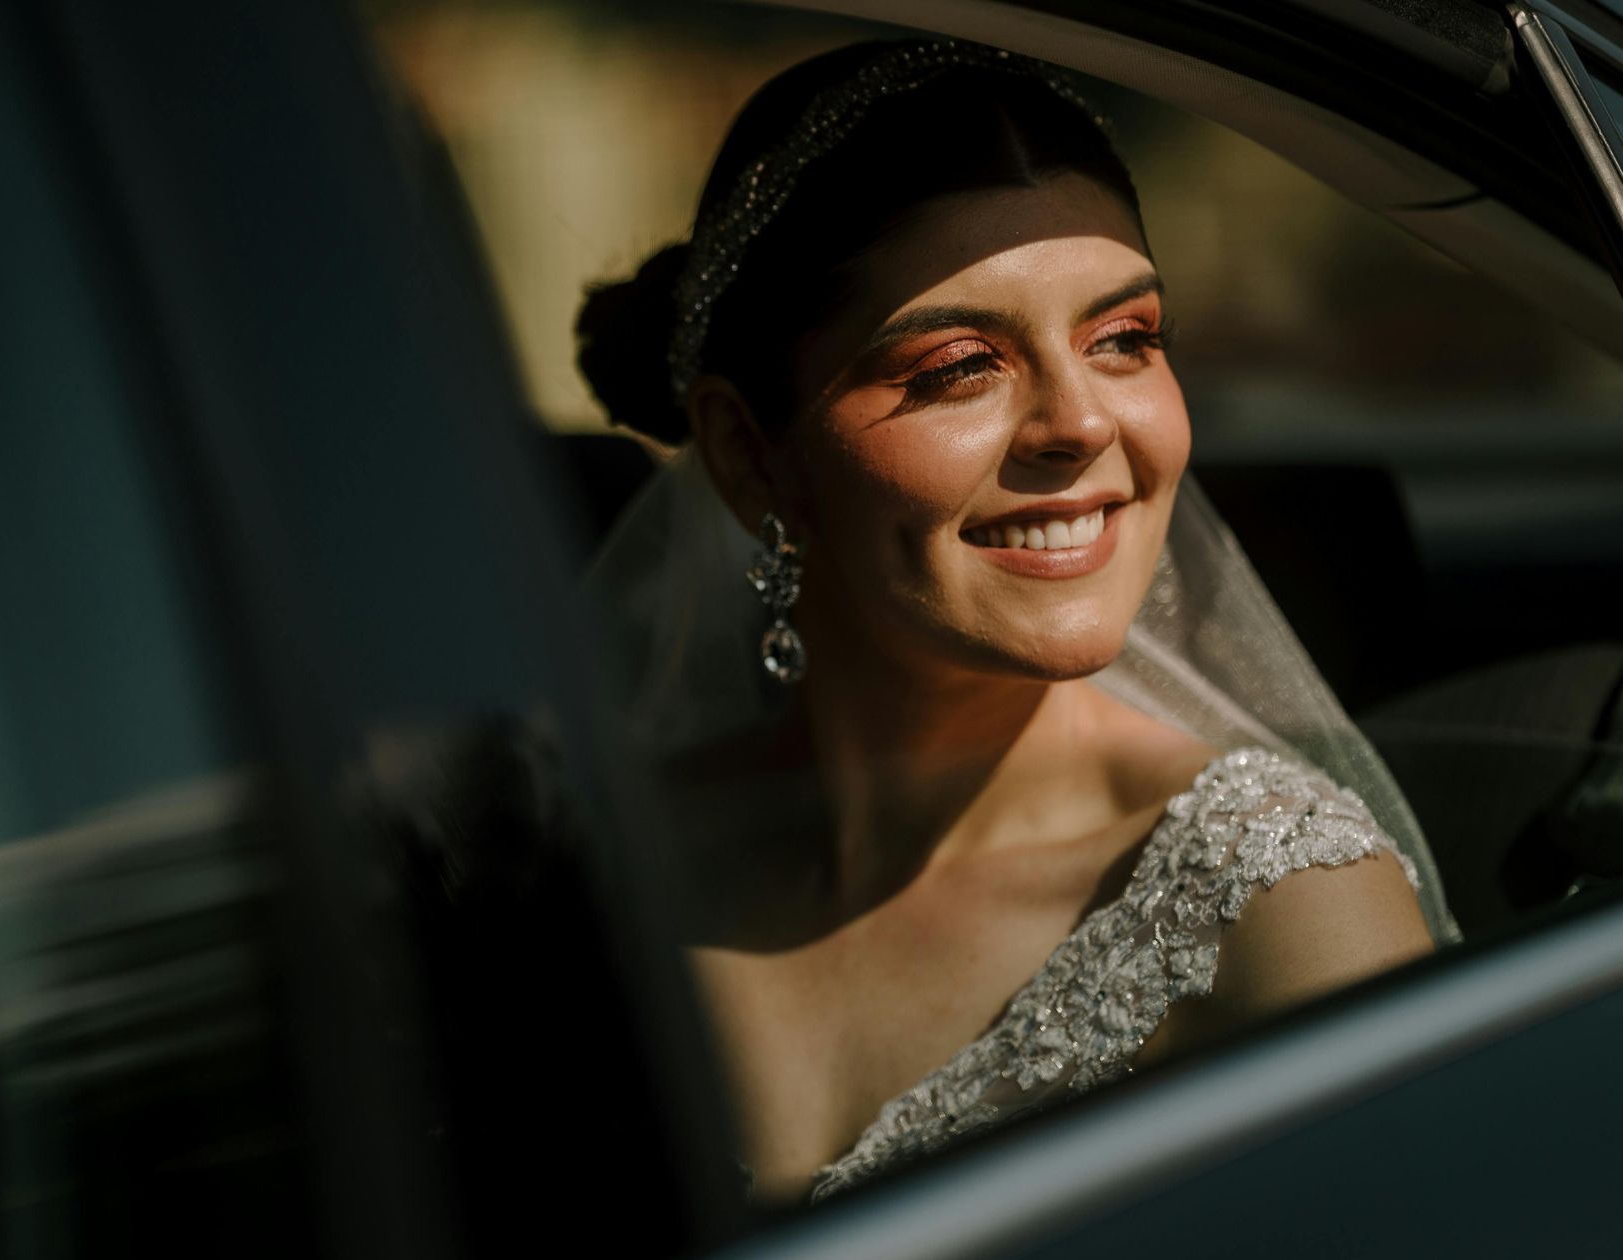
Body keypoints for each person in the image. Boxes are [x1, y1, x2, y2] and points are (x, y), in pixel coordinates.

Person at [575, 38, 1456, 1203]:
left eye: (1123, 340)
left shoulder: (1280, 901)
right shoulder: (597, 871)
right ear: (750, 454)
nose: (1079, 423)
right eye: (958, 366)